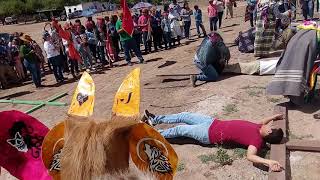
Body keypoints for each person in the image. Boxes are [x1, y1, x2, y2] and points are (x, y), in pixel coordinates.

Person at [142, 110, 284, 172]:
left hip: (208, 134)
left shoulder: (257, 140)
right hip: (212, 122)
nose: (269, 125)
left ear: (269, 132)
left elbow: (250, 156)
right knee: (184, 115)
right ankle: (154, 119)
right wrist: (274, 117)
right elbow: (263, 121)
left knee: (180, 130)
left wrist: (269, 162)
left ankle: (152, 132)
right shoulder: (259, 127)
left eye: (271, 126)